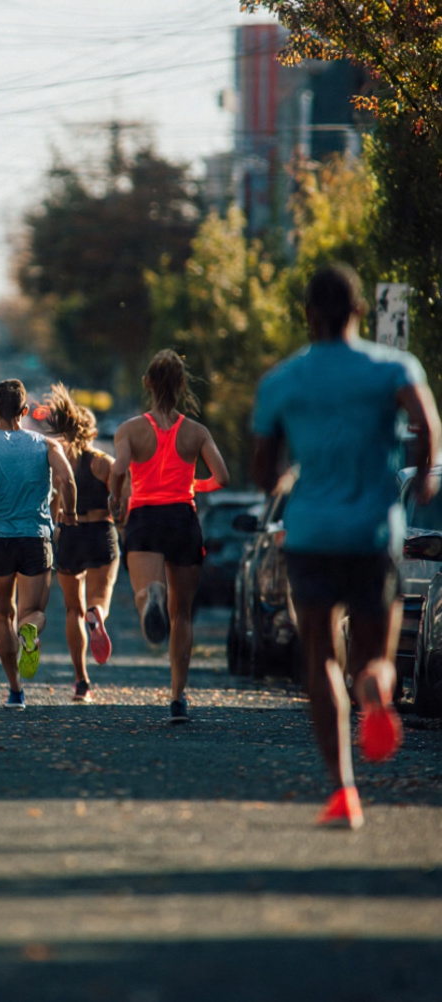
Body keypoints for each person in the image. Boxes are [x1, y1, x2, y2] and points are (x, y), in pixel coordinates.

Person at [252, 263, 441, 829]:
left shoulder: (283, 380)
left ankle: (343, 792)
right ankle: (378, 693)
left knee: (319, 660)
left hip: (310, 534)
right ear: (360, 310)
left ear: (308, 315)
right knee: (375, 658)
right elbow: (427, 423)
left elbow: (263, 464)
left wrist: (286, 485)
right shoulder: (393, 367)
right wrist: (426, 476)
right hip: (376, 535)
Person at [110, 349, 230, 724]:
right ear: (181, 385)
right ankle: (178, 698)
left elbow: (118, 469)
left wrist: (116, 498)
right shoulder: (196, 432)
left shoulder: (130, 429)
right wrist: (195, 483)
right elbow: (223, 477)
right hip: (182, 517)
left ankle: (150, 598)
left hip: (144, 517)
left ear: (147, 383)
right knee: (183, 616)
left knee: (144, 592)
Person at [0, 379, 77, 708]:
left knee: (2, 613)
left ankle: (14, 689)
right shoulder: (47, 445)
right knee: (34, 612)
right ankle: (30, 632)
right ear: (25, 411)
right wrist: (70, 512)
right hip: (34, 538)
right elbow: (67, 479)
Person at [45, 384, 120, 703]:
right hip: (101, 532)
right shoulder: (104, 462)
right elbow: (121, 500)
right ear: (90, 432)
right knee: (99, 596)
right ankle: (98, 613)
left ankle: (81, 682)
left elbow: (52, 504)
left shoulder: (60, 463)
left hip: (70, 535)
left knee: (71, 609)